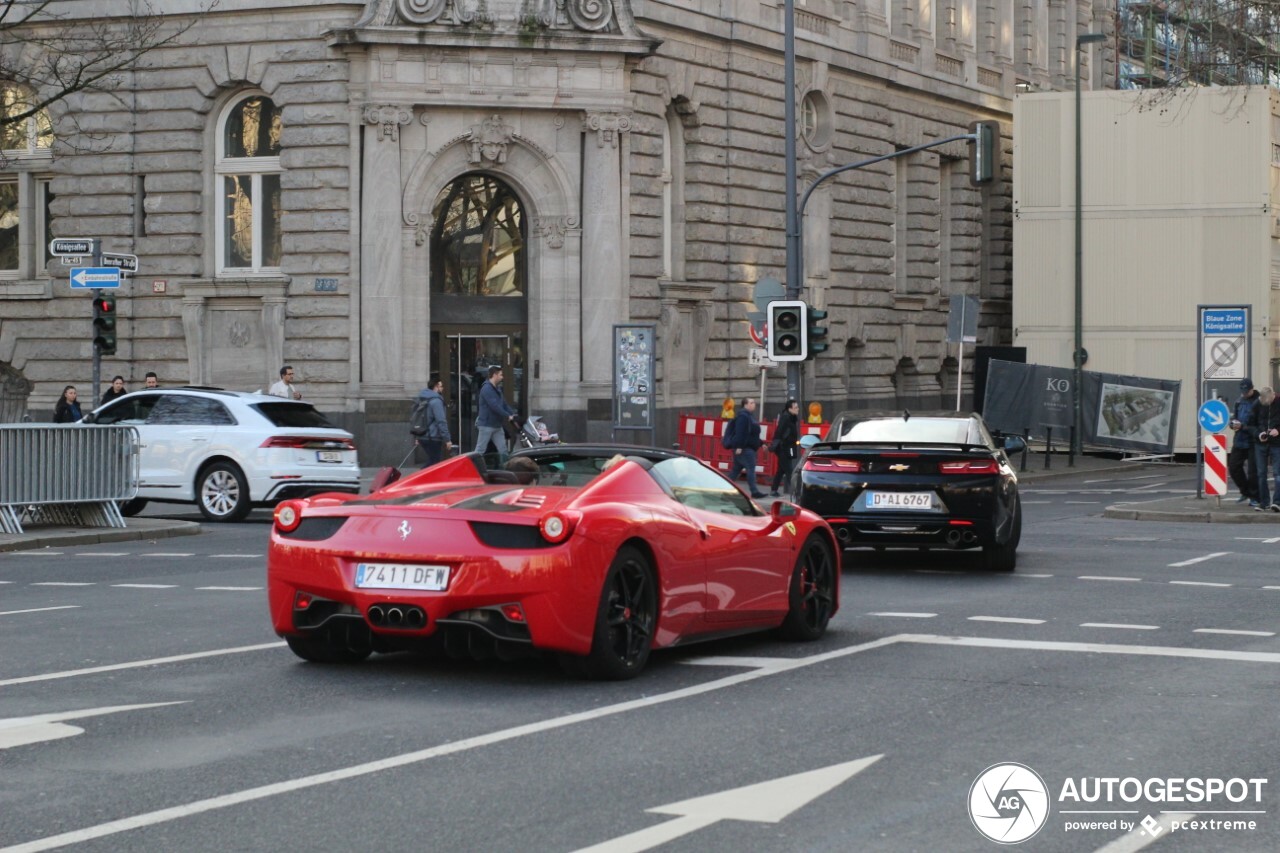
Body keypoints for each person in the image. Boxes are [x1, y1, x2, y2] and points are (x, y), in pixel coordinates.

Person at [474, 365, 518, 457]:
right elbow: (495, 406)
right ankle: (473, 469)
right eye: (501, 375)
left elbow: (504, 404)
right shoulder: (486, 389)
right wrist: (508, 416)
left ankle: (506, 468)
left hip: (497, 425)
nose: (502, 377)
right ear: (495, 375)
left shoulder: (497, 389)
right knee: (480, 450)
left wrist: (513, 414)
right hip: (486, 425)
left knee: (503, 450)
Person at [725, 396, 766, 498]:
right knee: (750, 469)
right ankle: (754, 491)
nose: (754, 404)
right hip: (745, 449)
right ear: (746, 405)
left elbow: (751, 434)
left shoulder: (748, 416)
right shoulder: (743, 416)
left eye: (753, 402)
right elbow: (740, 432)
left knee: (735, 471)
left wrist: (761, 443)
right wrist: (739, 446)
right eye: (751, 403)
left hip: (745, 448)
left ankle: (723, 489)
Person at [1228, 378, 1260, 507]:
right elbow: (1234, 418)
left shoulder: (1259, 402)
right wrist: (1232, 424)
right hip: (1239, 440)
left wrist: (1243, 426)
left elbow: (1259, 423)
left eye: (1246, 391)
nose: (1244, 393)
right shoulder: (1239, 401)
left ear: (1252, 389)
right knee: (1234, 467)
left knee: (1253, 472)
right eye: (1242, 391)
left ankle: (1254, 496)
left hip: (1253, 441)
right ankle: (1245, 491)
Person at [1248, 385, 1280, 511]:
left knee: (1278, 473)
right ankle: (1264, 502)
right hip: (1260, 443)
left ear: (1273, 395)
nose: (1267, 404)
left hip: (1277, 443)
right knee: (1261, 474)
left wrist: (1278, 431)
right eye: (1265, 403)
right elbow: (1250, 424)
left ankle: (1277, 502)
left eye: (1269, 402)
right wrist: (1259, 434)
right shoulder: (1257, 404)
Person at [414, 375, 452, 466]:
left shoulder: (422, 398)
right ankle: (419, 478)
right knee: (434, 463)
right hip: (432, 436)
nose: (442, 389)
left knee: (433, 461)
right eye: (441, 386)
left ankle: (423, 478)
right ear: (436, 387)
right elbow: (441, 421)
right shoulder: (436, 401)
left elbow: (418, 418)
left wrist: (417, 436)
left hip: (423, 436)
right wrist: (447, 439)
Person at [768, 398, 801, 497]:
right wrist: (777, 444)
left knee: (781, 470)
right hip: (783, 448)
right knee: (789, 470)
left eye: (797, 407)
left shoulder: (791, 418)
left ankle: (774, 490)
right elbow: (779, 432)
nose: (797, 409)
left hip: (788, 447)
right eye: (795, 407)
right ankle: (797, 492)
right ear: (789, 409)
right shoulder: (786, 418)